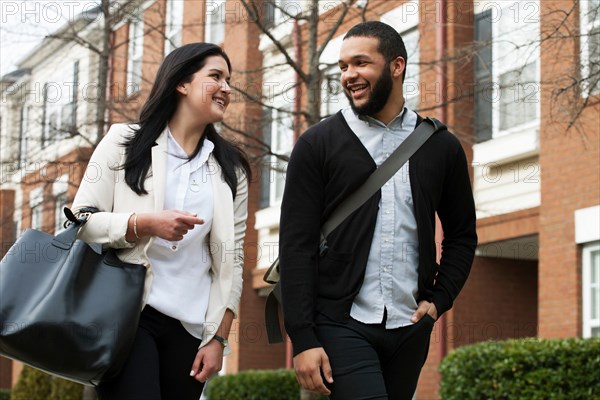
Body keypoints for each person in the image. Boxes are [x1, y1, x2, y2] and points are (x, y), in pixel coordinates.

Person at [279, 21, 477, 399]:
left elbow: (462, 236)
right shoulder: (317, 144)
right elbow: (296, 246)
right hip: (341, 323)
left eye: (360, 63)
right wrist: (303, 338)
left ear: (396, 66)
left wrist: (438, 301)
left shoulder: (441, 146)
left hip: (411, 327)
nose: (348, 75)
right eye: (342, 67)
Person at [71, 43, 251, 399]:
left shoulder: (232, 170)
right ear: (181, 83)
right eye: (215, 76)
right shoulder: (124, 142)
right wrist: (144, 224)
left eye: (229, 80)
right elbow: (80, 223)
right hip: (129, 314)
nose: (227, 88)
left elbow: (233, 261)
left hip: (190, 327)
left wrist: (217, 337)